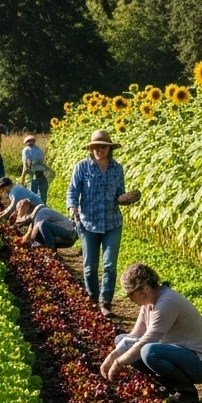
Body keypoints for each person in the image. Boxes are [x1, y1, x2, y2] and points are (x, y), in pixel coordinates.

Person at [99, 263, 202, 403]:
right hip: (179, 353)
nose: (130, 299)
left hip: (201, 364)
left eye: (131, 294)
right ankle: (166, 384)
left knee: (149, 351)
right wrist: (113, 355)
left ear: (144, 288)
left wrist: (119, 362)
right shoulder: (149, 303)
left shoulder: (167, 302)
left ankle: (187, 393)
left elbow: (148, 340)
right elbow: (136, 334)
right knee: (122, 340)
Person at [66, 129, 140, 316]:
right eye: (96, 147)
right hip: (88, 222)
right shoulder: (82, 167)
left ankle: (105, 302)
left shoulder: (117, 168)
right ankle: (92, 298)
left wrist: (125, 198)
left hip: (112, 222)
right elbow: (73, 191)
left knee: (109, 265)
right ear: (91, 149)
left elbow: (119, 194)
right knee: (90, 266)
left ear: (109, 149)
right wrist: (72, 208)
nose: (99, 150)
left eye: (103, 147)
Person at [13, 199, 77, 249]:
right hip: (62, 237)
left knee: (42, 225)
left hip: (69, 235)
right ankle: (49, 250)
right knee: (39, 233)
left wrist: (23, 243)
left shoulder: (40, 213)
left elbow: (32, 236)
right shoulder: (36, 215)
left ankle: (52, 251)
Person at [20, 135, 50, 204]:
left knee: (32, 194)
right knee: (42, 194)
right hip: (42, 174)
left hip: (32, 174)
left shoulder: (26, 151)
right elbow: (43, 162)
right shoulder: (39, 150)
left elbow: (26, 166)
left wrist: (22, 177)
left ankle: (33, 209)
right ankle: (43, 208)